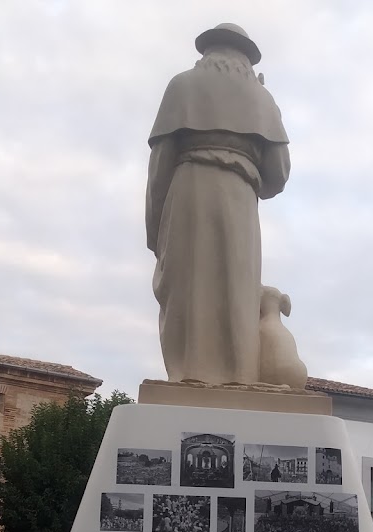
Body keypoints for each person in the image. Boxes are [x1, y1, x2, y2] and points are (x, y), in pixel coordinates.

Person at [146, 23, 291, 384]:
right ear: (246, 58)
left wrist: (154, 230)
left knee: (186, 285)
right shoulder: (263, 99)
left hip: (187, 191)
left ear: (206, 53)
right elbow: (279, 174)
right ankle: (237, 377)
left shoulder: (182, 85)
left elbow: (159, 167)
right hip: (240, 195)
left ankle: (186, 376)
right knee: (236, 286)